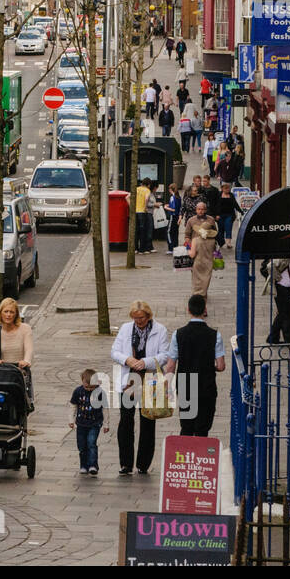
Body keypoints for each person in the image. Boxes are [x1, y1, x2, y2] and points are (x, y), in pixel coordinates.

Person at [110, 300, 170, 475]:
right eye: (136, 319)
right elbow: (114, 351)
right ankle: (126, 464)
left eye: (141, 318)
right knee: (126, 421)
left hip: (150, 379)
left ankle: (143, 464)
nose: (139, 322)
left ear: (148, 316)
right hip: (129, 379)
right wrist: (127, 359)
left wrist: (145, 362)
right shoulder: (125, 328)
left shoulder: (160, 330)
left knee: (148, 422)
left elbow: (165, 355)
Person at [164, 293, 227, 437]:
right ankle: (200, 456)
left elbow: (171, 365)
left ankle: (185, 455)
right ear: (205, 310)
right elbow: (221, 365)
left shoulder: (178, 334)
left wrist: (167, 387)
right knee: (203, 428)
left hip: (186, 384)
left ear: (188, 310)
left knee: (186, 426)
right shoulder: (214, 335)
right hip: (207, 385)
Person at [0, 297, 34, 408]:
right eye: (5, 311)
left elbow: (29, 349)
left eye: (11, 312)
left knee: (19, 401)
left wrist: (26, 361)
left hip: (19, 371)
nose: (8, 315)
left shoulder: (25, 329)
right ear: (0, 313)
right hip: (0, 370)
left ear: (16, 314)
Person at [69, 369, 110, 475]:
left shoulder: (100, 393)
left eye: (92, 387)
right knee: (82, 445)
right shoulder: (78, 391)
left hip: (95, 423)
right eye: (86, 387)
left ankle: (93, 465)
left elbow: (105, 408)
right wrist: (71, 420)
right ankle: (83, 465)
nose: (89, 389)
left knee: (91, 443)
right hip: (81, 423)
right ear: (82, 381)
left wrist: (106, 424)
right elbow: (73, 405)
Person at [265, 253, 290, 344]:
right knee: (285, 314)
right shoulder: (284, 258)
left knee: (283, 314)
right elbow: (270, 266)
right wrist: (278, 277)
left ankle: (273, 337)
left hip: (288, 289)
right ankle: (288, 338)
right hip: (282, 288)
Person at [184, 200, 219, 300]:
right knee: (196, 275)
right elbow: (187, 235)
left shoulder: (211, 220)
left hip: (207, 250)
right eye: (199, 209)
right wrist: (189, 245)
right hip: (195, 249)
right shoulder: (191, 220)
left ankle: (200, 294)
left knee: (203, 276)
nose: (201, 211)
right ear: (196, 210)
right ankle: (200, 294)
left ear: (206, 210)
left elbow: (214, 233)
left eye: (203, 209)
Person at [134, 179, 154, 254]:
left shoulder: (136, 189)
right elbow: (146, 199)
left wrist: (132, 207)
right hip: (142, 212)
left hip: (135, 212)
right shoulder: (147, 190)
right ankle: (142, 249)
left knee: (136, 231)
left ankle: (135, 248)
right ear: (148, 184)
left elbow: (127, 197)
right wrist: (145, 207)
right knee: (143, 231)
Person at [164, 184, 183, 253]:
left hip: (173, 216)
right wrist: (169, 205)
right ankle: (175, 246)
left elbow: (173, 209)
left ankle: (171, 248)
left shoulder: (172, 197)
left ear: (170, 189)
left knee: (169, 232)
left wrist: (166, 207)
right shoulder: (178, 197)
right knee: (175, 232)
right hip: (177, 217)